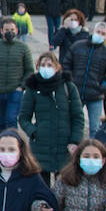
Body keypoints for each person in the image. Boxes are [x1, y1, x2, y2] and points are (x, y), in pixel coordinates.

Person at [18, 53, 85, 184]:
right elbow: (23, 117)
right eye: (42, 65)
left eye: (49, 65)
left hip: (65, 145)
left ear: (57, 67)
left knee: (65, 185)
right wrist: (34, 132)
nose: (46, 68)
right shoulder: (33, 88)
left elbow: (78, 117)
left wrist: (75, 140)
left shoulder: (68, 87)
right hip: (40, 146)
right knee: (42, 186)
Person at [66, 21, 106, 134]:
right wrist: (71, 82)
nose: (100, 35)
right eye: (98, 31)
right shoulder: (77, 46)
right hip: (76, 93)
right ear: (93, 31)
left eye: (103, 33)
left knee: (94, 128)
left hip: (95, 96)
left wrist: (102, 86)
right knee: (73, 125)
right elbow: (66, 64)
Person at [0, 17, 33, 132]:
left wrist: (21, 86)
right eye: (7, 29)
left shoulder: (23, 47)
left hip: (15, 90)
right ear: (1, 30)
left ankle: (14, 142)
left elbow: (29, 70)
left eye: (12, 29)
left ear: (17, 30)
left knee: (11, 119)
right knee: (0, 121)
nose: (10, 32)